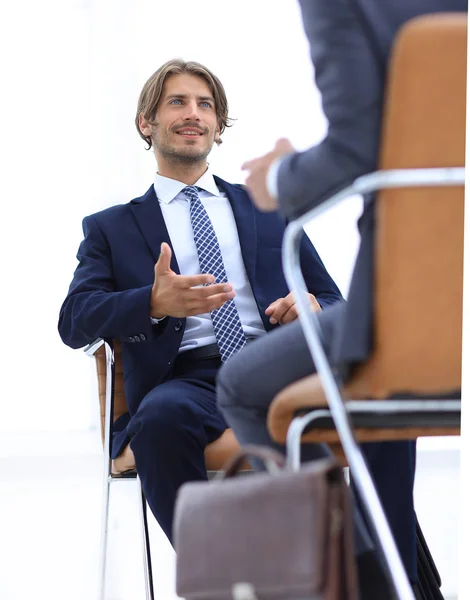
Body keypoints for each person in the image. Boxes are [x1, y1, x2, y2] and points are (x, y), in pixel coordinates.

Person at [216, 0, 467, 593]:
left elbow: (358, 146)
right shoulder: (113, 224)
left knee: (247, 388)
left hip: (419, 327)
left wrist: (278, 178)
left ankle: (357, 582)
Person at [58, 58, 343, 544]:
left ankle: (359, 571)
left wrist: (312, 308)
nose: (193, 113)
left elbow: (336, 302)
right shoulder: (110, 227)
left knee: (371, 407)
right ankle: (218, 577)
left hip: (276, 369)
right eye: (177, 102)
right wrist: (150, 301)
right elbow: (74, 322)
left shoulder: (269, 209)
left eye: (204, 105)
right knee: (160, 421)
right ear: (147, 123)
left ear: (217, 125)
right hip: (188, 380)